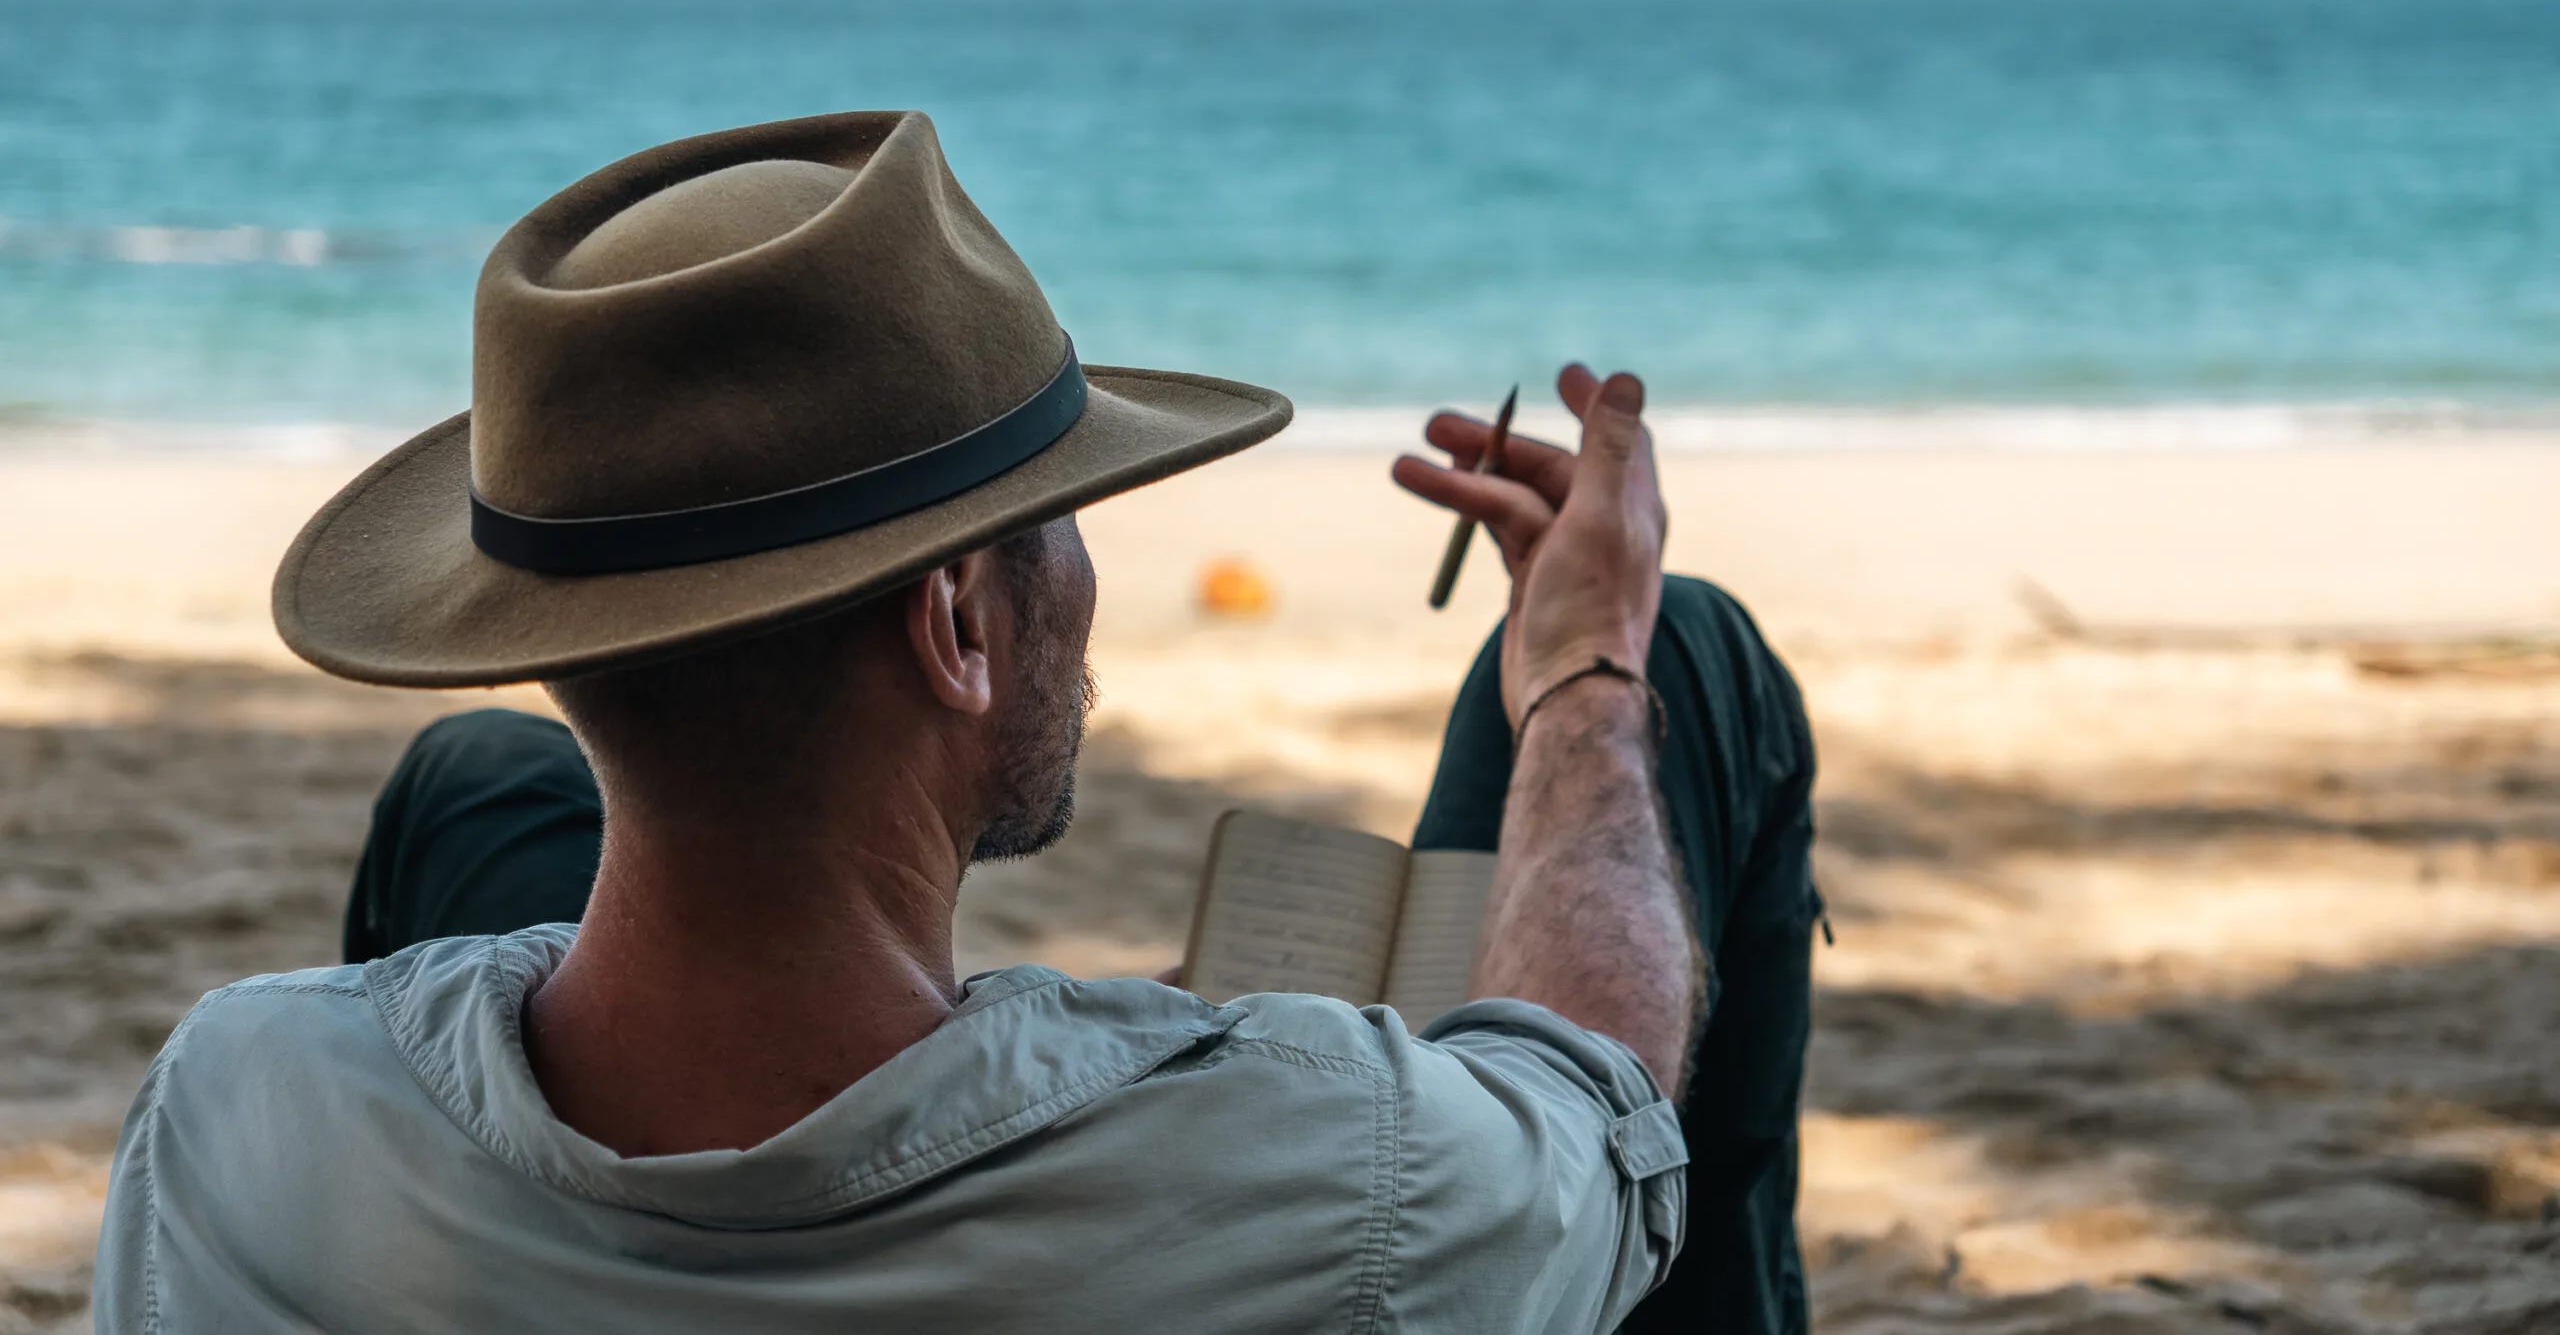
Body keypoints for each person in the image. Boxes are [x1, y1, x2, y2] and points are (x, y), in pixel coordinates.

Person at [95, 111, 1818, 1333]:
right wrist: (1587, 667)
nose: (1083, 570)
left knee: (482, 787)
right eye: (1059, 516)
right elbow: (1596, 1115)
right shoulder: (1330, 1168)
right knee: (1699, 661)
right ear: (959, 621)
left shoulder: (241, 1107)